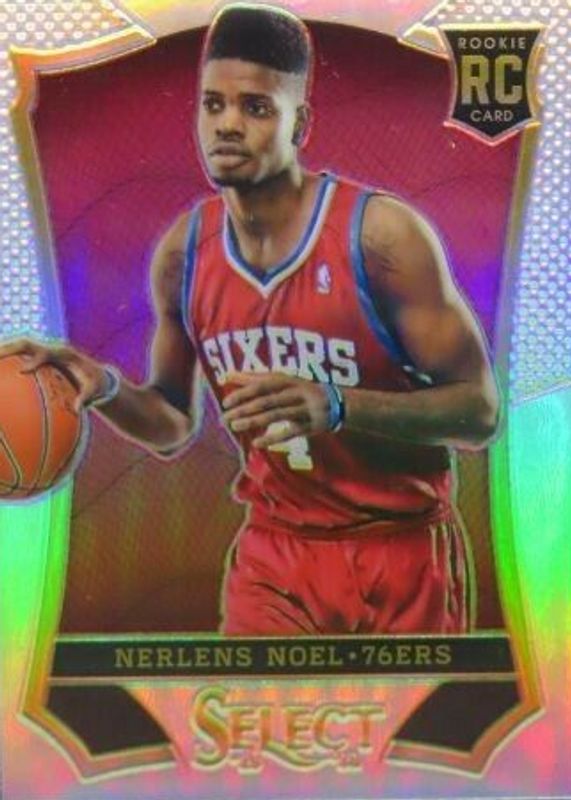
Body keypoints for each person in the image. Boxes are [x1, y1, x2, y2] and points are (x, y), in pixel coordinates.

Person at [1, 4, 499, 636]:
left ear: (300, 123)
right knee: (251, 702)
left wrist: (337, 405)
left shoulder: (380, 236)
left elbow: (480, 412)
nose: (228, 125)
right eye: (213, 105)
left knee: (400, 710)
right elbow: (172, 423)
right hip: (274, 556)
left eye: (256, 107)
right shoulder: (185, 254)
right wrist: (104, 386)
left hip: (402, 549)